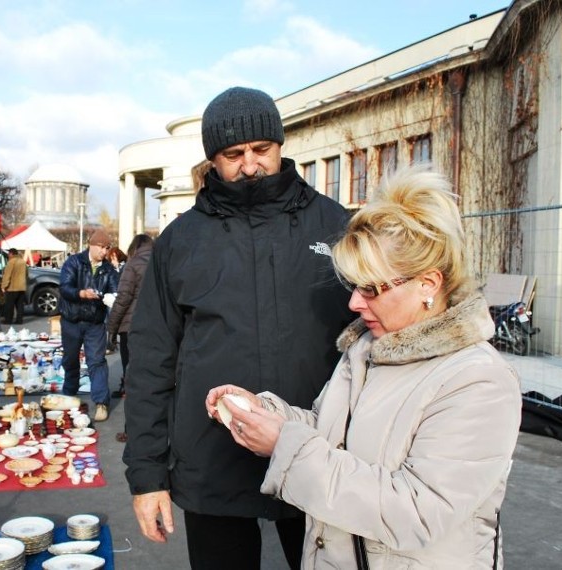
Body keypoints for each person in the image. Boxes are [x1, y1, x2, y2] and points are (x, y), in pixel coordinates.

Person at [206, 166, 522, 568]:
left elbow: (416, 512)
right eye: (354, 286)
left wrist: (283, 446)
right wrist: (265, 413)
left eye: (372, 289)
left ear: (428, 284)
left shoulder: (477, 381)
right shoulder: (368, 348)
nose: (355, 303)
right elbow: (327, 429)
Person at [123, 86, 354, 569]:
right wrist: (147, 477)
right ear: (213, 160)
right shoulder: (181, 241)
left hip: (318, 453)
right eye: (233, 154)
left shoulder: (334, 226)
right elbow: (150, 363)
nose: (250, 165)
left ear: (281, 146)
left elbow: (373, 339)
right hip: (212, 462)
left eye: (261, 150)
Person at [58, 229, 119, 422]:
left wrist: (111, 298)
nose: (104, 251)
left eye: (106, 248)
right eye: (101, 247)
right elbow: (64, 287)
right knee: (70, 360)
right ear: (91, 245)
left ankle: (101, 402)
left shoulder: (108, 269)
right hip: (71, 321)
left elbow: (115, 290)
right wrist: (81, 294)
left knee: (97, 361)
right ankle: (69, 395)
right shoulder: (74, 262)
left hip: (95, 323)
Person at [107, 233, 154, 403]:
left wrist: (111, 329)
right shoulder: (162, 262)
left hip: (131, 326)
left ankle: (131, 426)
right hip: (158, 327)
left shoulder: (133, 264)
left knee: (131, 370)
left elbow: (123, 299)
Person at [1, 248, 26, 325]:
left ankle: (8, 320)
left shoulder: (11, 262)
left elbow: (7, 275)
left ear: (11, 254)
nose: (8, 255)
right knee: (20, 305)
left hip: (12, 287)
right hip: (22, 287)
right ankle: (19, 320)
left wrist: (4, 286)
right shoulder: (23, 261)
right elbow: (27, 274)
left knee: (9, 305)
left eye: (9, 254)